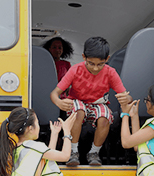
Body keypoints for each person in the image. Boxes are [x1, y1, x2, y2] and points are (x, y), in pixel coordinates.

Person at [50, 36, 132, 166]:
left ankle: (94, 152)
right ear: (84, 57)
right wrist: (59, 102)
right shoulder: (75, 70)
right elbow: (55, 93)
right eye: (91, 64)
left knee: (105, 116)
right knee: (79, 111)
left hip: (97, 104)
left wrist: (126, 98)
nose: (95, 68)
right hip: (77, 102)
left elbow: (126, 95)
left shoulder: (110, 72)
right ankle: (73, 151)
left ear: (107, 59)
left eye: (100, 64)